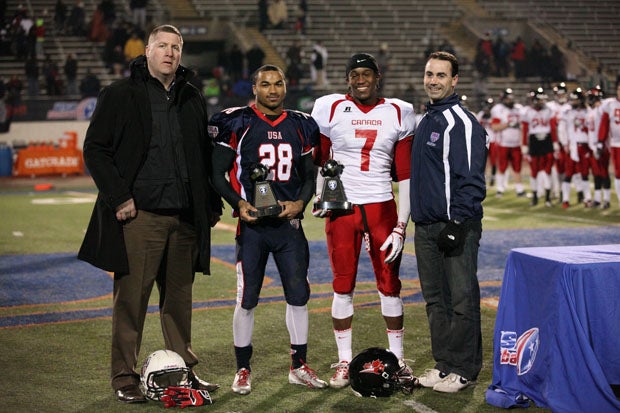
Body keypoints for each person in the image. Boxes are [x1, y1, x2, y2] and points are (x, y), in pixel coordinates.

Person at [78, 24, 222, 404]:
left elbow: (201, 157)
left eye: (176, 47)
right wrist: (119, 196)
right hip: (140, 217)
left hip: (184, 220)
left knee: (179, 302)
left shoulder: (191, 96)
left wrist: (207, 202)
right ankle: (124, 377)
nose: (170, 53)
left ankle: (183, 370)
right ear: (147, 51)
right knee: (131, 301)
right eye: (162, 46)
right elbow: (95, 149)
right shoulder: (120, 94)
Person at [209, 64, 327, 395]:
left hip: (289, 227)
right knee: (246, 299)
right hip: (253, 229)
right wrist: (239, 203)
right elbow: (216, 173)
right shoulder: (237, 122)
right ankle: (242, 368)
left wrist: (301, 203)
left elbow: (308, 176)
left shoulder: (302, 125)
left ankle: (298, 366)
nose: (272, 90)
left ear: (286, 87)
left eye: (278, 84)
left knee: (298, 296)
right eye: (265, 84)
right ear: (254, 88)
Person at [311, 53, 415, 389]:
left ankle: (397, 358)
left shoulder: (399, 111)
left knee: (389, 283)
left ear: (377, 76)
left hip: (382, 204)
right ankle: (344, 360)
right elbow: (321, 160)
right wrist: (318, 196)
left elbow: (406, 175)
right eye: (354, 74)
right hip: (343, 208)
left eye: (366, 74)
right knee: (343, 283)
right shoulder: (329, 107)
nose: (360, 80)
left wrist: (401, 225)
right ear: (347, 79)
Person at [410, 51, 487, 393]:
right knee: (435, 300)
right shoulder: (427, 118)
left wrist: (458, 222)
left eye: (441, 75)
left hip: (455, 225)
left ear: (454, 80)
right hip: (426, 226)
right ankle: (444, 365)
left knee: (461, 299)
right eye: (429, 74)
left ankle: (465, 369)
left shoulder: (462, 122)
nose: (433, 81)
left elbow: (471, 178)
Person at [521, 87, 558, 207]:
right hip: (534, 141)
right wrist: (525, 145)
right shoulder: (528, 112)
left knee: (547, 171)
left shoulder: (549, 110)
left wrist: (555, 142)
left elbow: (552, 128)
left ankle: (547, 198)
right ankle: (535, 196)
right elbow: (525, 130)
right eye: (540, 100)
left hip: (547, 140)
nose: (542, 102)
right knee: (534, 171)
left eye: (543, 100)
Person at [490, 88, 525, 196]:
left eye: (511, 98)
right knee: (502, 167)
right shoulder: (498, 109)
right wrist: (508, 124)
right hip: (503, 143)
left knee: (517, 167)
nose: (510, 100)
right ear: (503, 99)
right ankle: (500, 189)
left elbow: (524, 126)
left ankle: (519, 190)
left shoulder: (518, 109)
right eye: (508, 98)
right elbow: (494, 127)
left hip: (516, 144)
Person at [597, 79, 620, 207]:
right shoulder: (610, 104)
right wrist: (600, 141)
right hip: (617, 144)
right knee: (618, 174)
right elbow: (604, 125)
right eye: (619, 89)